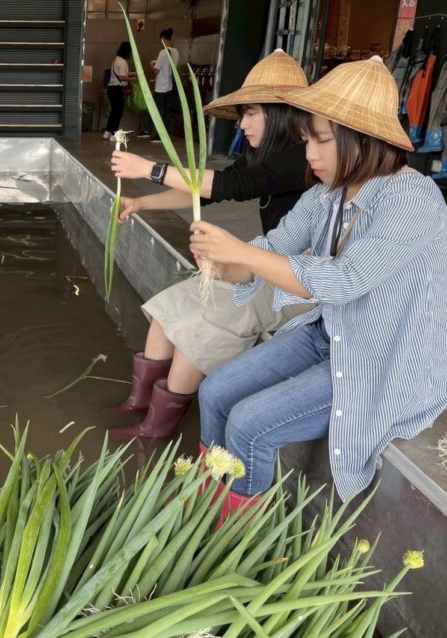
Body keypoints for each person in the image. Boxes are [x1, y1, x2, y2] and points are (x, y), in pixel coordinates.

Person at [191, 56, 447, 520]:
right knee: (214, 391)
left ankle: (229, 539)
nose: (310, 153)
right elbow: (275, 248)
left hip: (378, 355)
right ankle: (210, 500)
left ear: (361, 138)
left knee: (250, 424)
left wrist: (245, 254)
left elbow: (345, 280)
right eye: (308, 138)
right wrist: (222, 262)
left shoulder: (412, 199)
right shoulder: (328, 193)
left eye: (322, 141)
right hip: (327, 335)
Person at [108, 50, 312, 439]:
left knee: (197, 327)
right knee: (171, 309)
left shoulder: (299, 158)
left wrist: (149, 169)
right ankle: (140, 402)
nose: (244, 124)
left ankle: (156, 430)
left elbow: (229, 187)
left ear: (281, 113)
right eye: (242, 115)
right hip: (259, 262)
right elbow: (206, 189)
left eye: (252, 113)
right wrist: (140, 202)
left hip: (292, 281)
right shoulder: (264, 157)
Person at [149, 28, 179, 142]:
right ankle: (165, 134)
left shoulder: (163, 52)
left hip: (161, 87)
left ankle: (158, 135)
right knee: (166, 111)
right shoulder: (176, 52)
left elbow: (156, 70)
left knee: (158, 111)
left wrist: (150, 65)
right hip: (169, 86)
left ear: (163, 39)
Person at [104, 41, 135, 141]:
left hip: (111, 88)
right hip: (118, 89)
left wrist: (133, 73)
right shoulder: (123, 62)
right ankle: (114, 135)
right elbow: (122, 77)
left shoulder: (116, 60)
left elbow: (120, 74)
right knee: (118, 112)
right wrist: (133, 79)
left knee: (114, 111)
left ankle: (107, 132)